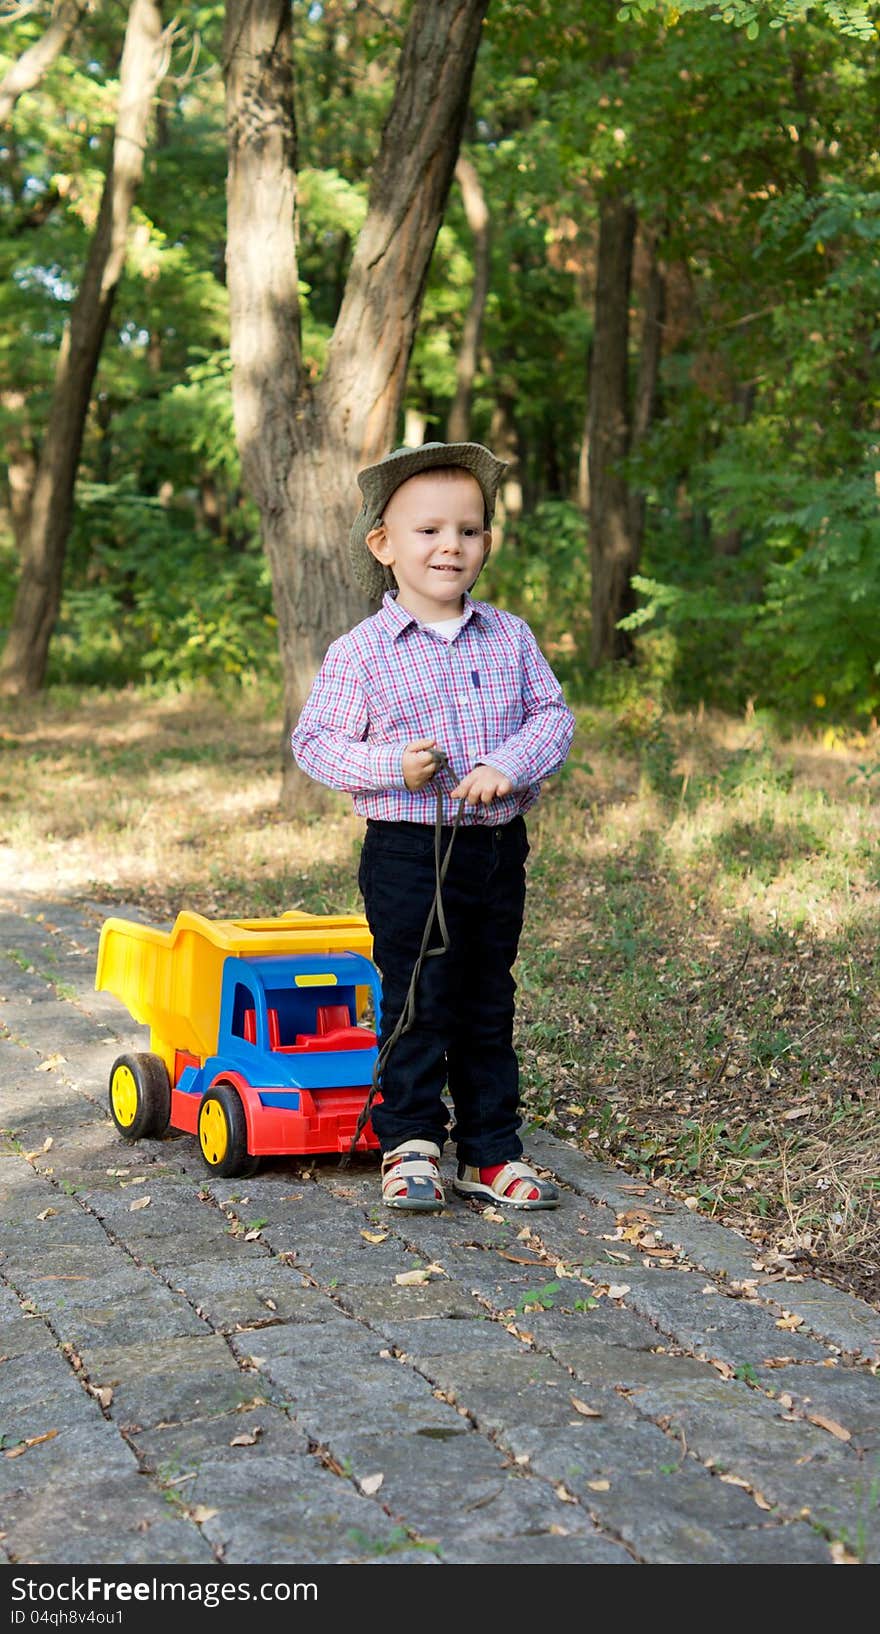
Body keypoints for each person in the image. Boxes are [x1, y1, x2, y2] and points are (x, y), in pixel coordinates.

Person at [291, 441, 576, 1213]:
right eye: (428, 531)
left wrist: (509, 766)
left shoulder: (508, 636)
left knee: (488, 995)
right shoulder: (361, 654)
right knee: (419, 996)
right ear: (383, 545)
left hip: (491, 849)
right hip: (407, 851)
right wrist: (391, 766)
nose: (451, 545)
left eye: (469, 530)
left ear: (486, 541)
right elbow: (315, 743)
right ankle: (410, 1141)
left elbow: (553, 717)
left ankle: (489, 1150)